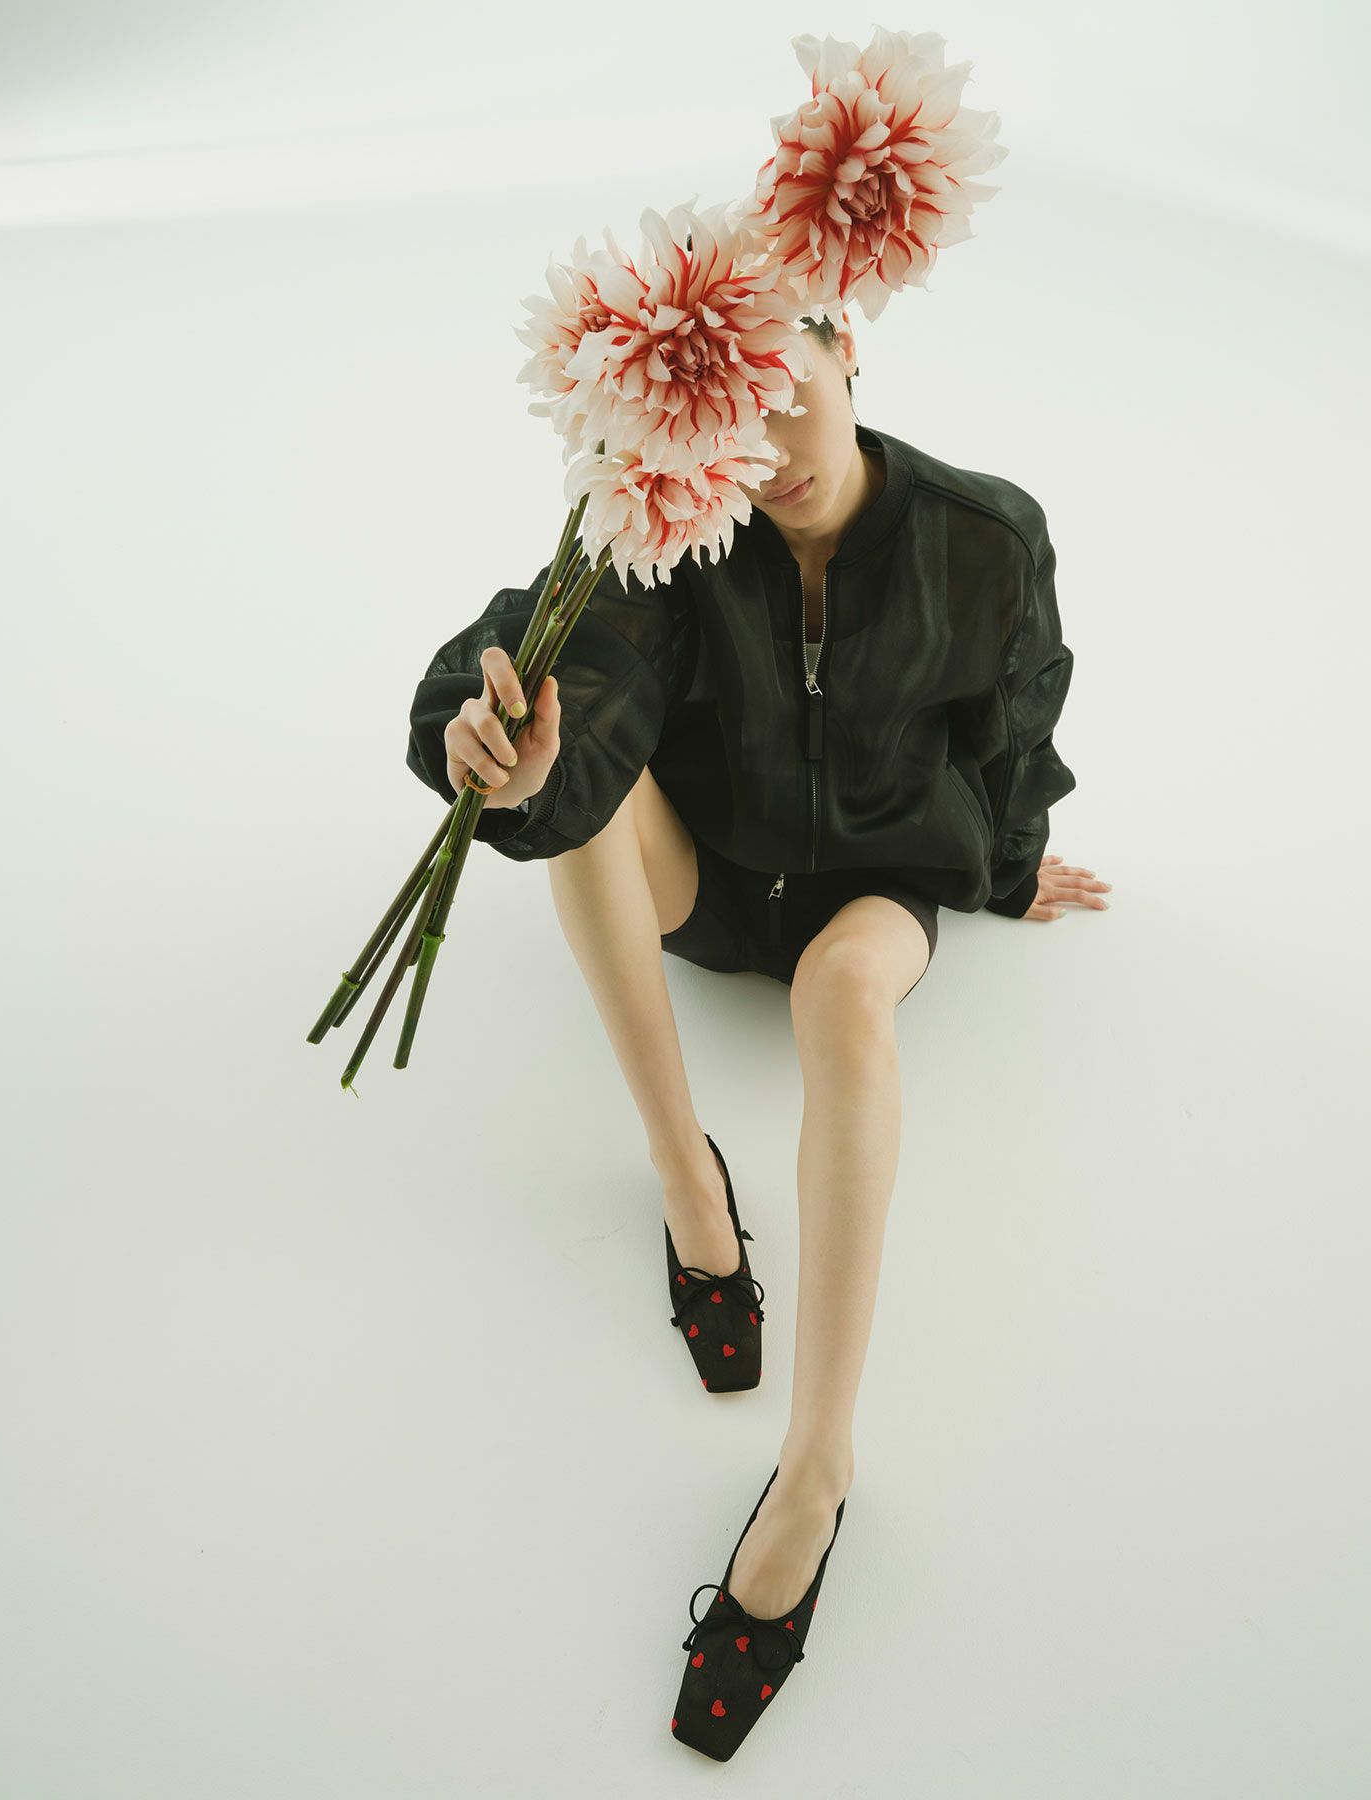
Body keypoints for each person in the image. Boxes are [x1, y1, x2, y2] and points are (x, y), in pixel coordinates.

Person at [405, 310, 1110, 1746]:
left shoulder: (985, 534)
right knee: (574, 793)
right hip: (713, 883)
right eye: (729, 423)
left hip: (877, 887)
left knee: (840, 998)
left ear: (853, 355)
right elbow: (552, 664)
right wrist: (507, 759)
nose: (768, 451)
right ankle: (688, 1178)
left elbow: (1016, 724)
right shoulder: (668, 532)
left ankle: (817, 1464)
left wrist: (1012, 864)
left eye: (792, 397)